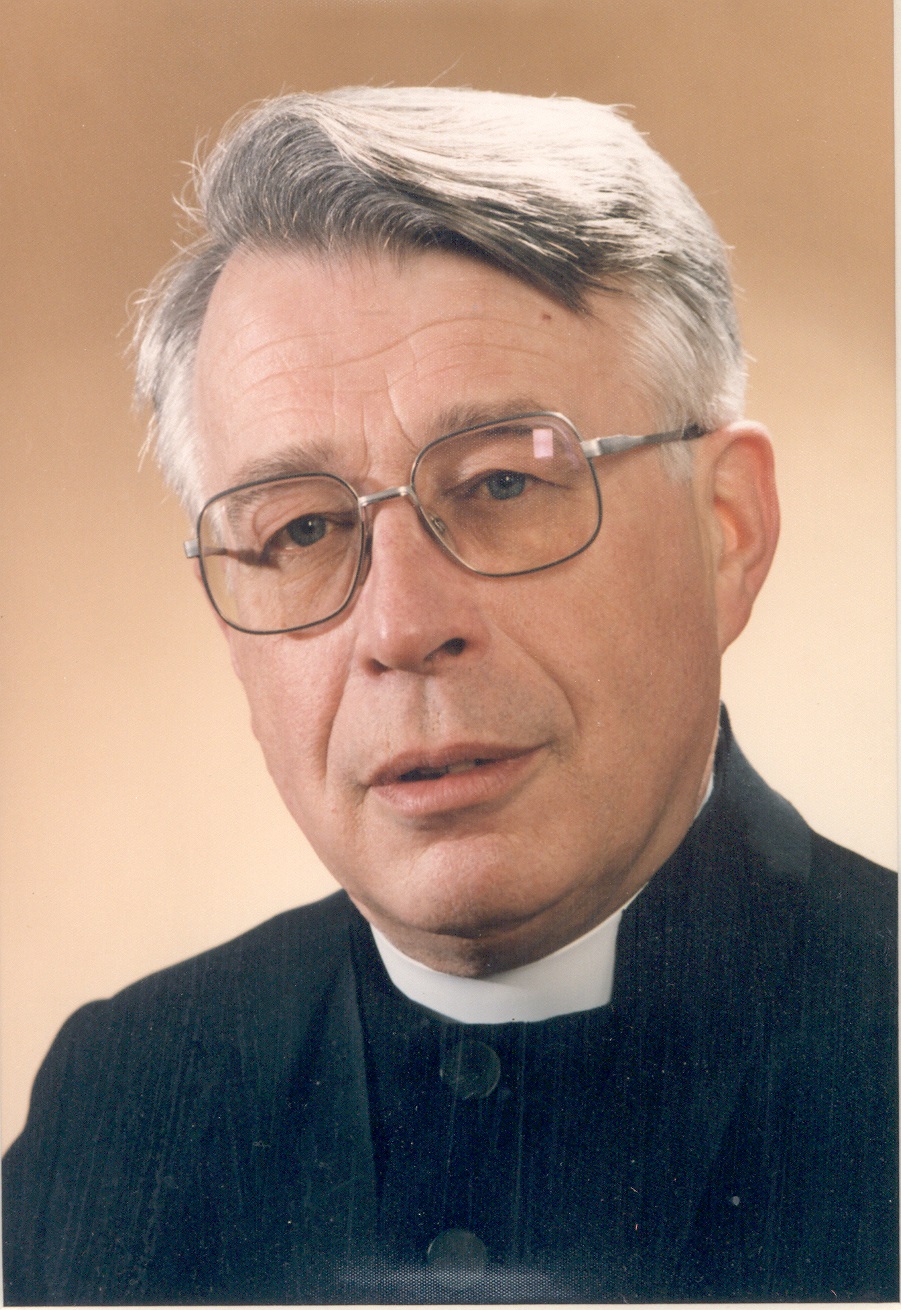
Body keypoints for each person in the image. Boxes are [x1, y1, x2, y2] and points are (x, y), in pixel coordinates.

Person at [3, 87, 896, 1305]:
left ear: (727, 530)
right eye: (301, 528)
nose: (402, 626)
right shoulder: (118, 1104)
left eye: (502, 484)